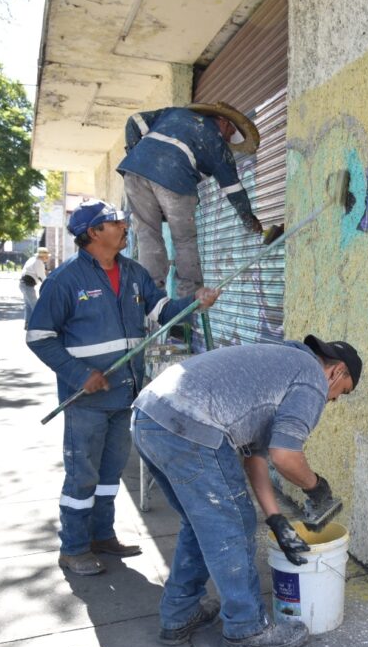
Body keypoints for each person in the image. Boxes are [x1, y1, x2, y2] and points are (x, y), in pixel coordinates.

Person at [130, 335, 362, 647]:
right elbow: (285, 456)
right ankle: (246, 627)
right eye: (341, 393)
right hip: (189, 426)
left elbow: (258, 458)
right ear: (337, 372)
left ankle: (179, 615)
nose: (332, 400)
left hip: (150, 416)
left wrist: (277, 520)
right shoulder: (311, 378)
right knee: (233, 527)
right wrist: (316, 487)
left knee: (202, 525)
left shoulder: (281, 366)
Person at [26, 199, 222, 576]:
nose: (125, 226)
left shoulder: (132, 272)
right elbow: (39, 337)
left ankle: (102, 536)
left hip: (126, 392)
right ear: (93, 233)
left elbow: (163, 310)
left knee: (110, 471)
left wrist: (194, 303)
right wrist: (79, 374)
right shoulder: (65, 280)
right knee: (82, 474)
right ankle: (74, 547)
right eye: (115, 221)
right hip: (86, 398)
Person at [117, 102, 262, 299]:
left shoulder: (174, 114)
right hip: (175, 178)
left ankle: (149, 292)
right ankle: (189, 296)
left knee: (147, 234)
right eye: (229, 135)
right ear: (224, 122)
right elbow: (233, 188)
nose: (228, 140)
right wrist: (248, 218)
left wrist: (137, 155)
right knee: (184, 240)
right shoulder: (216, 140)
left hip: (133, 174)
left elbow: (134, 121)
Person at [19, 247, 51, 327]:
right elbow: (42, 276)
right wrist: (48, 284)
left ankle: (28, 323)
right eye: (46, 257)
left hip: (23, 284)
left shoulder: (32, 259)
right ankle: (40, 324)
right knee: (35, 305)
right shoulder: (39, 262)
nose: (47, 259)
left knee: (28, 305)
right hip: (28, 284)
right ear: (43, 257)